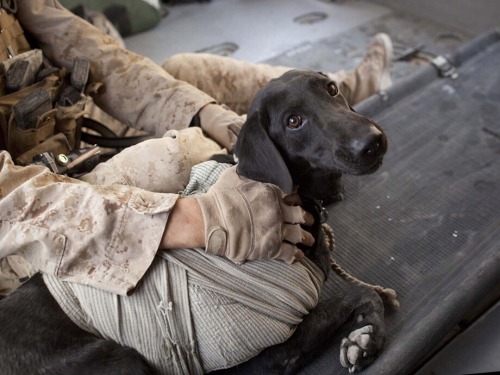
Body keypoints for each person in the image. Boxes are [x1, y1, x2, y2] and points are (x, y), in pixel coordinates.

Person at [0, 0, 393, 296]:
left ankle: (349, 87)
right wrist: (190, 221)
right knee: (179, 155)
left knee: (187, 73)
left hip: (69, 151)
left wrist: (206, 113)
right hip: (23, 225)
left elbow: (93, 55)